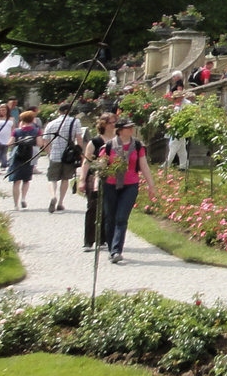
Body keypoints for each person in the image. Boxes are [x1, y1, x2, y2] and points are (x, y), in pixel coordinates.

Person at [99, 116, 156, 264]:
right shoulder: (109, 146)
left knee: (121, 218)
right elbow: (101, 166)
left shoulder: (137, 145)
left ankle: (117, 250)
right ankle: (112, 249)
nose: (131, 129)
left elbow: (143, 165)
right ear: (119, 130)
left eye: (132, 127)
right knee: (110, 218)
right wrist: (95, 182)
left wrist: (151, 185)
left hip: (130, 184)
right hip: (111, 184)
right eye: (128, 127)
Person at [79, 112, 116, 251]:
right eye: (111, 122)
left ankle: (102, 239)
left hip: (112, 177)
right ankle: (89, 240)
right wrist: (82, 180)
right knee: (93, 207)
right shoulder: (95, 141)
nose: (113, 125)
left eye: (114, 122)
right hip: (95, 177)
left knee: (108, 209)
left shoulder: (118, 140)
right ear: (104, 124)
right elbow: (86, 162)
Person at [41, 103, 84, 214]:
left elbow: (45, 141)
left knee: (52, 179)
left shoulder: (51, 124)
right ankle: (60, 202)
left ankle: (53, 196)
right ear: (69, 111)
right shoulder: (75, 122)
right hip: (68, 156)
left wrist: (49, 154)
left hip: (54, 154)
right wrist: (80, 152)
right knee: (65, 179)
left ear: (59, 111)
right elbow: (79, 138)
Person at [6, 109, 43, 210]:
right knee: (26, 180)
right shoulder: (36, 131)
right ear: (32, 119)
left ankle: (16, 205)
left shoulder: (17, 131)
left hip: (17, 157)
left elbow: (9, 144)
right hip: (29, 156)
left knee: (16, 181)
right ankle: (23, 198)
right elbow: (40, 144)